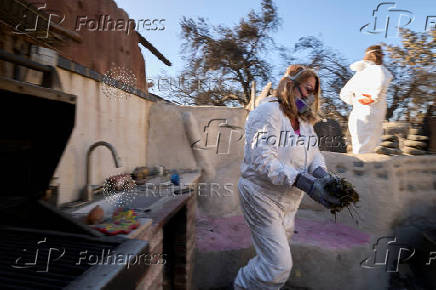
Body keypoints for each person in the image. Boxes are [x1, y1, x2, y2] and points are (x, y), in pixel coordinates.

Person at [233, 65, 340, 290]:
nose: (309, 97)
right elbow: (262, 161)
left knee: (272, 260)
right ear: (290, 84)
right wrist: (306, 184)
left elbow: (314, 155)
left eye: (313, 93)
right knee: (278, 266)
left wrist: (323, 176)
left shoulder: (303, 122)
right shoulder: (267, 113)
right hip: (261, 196)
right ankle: (241, 286)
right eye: (307, 89)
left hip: (289, 201)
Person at [340, 45, 393, 154]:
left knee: (360, 151)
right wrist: (373, 98)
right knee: (368, 153)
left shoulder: (358, 74)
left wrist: (355, 101)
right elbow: (383, 80)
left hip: (358, 116)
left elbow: (344, 94)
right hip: (370, 118)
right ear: (378, 56)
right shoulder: (379, 70)